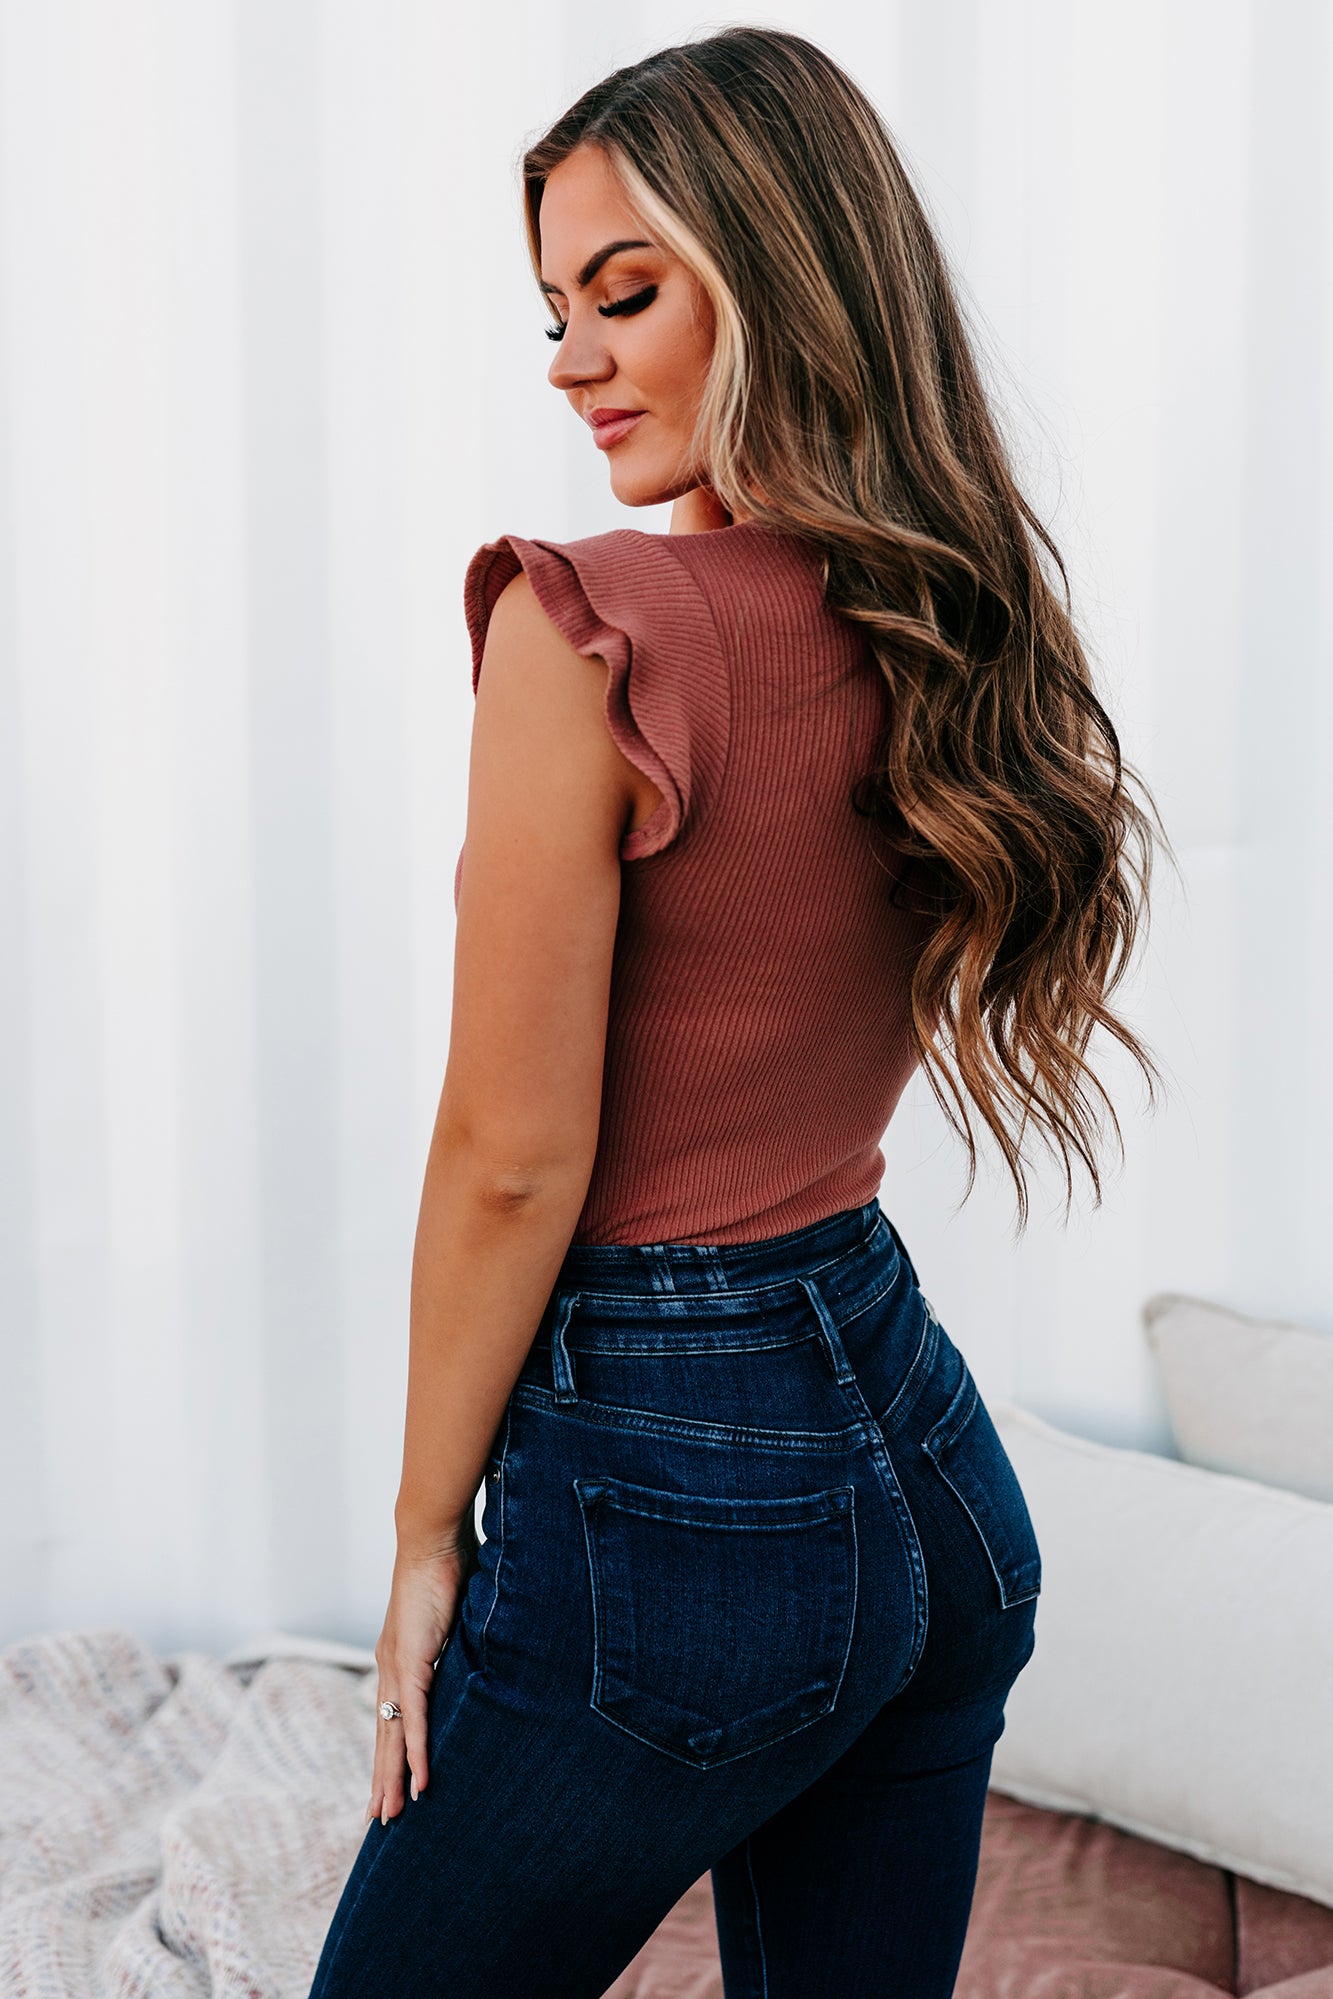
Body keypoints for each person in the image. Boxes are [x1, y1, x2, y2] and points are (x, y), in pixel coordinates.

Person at [306, 25, 1158, 1999]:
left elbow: (511, 1159)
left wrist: (424, 1540)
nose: (570, 362)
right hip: (925, 1462)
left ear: (777, 276)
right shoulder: (940, 610)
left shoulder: (585, 624)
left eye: (625, 294)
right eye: (554, 312)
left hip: (682, 1494)